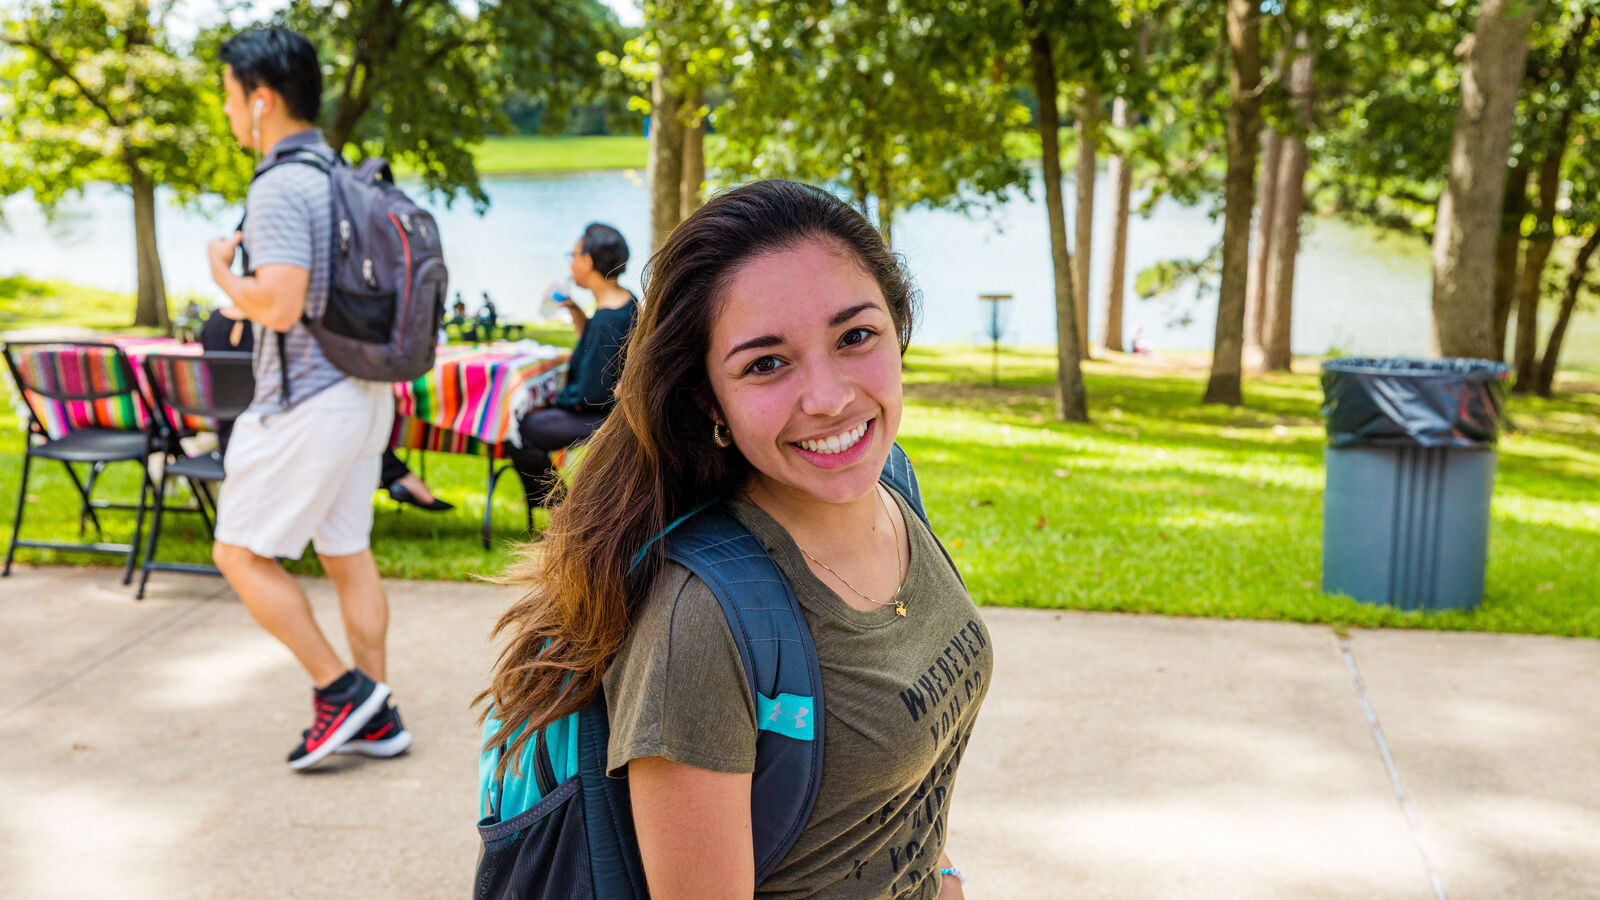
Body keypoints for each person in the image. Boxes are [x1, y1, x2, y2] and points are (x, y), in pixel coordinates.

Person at [483, 180, 988, 898]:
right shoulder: (701, 624)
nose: (830, 396)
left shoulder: (892, 483)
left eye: (855, 336)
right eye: (766, 364)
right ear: (707, 400)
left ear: (897, 329)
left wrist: (941, 874)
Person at [206, 26, 411, 771]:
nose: (226, 110)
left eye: (229, 95)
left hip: (303, 404)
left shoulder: (279, 184)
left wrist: (225, 275)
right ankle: (379, 713)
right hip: (363, 397)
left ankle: (340, 690)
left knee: (238, 553)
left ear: (260, 100)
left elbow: (283, 302)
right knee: (348, 555)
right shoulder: (341, 175)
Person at [200, 306, 452, 512]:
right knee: (344, 413)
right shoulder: (282, 327)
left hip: (231, 441)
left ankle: (397, 475)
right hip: (276, 440)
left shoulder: (211, 324)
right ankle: (399, 475)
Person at [506, 222, 637, 509]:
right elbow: (601, 355)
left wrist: (553, 402)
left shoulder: (608, 320)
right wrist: (578, 314)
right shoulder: (626, 303)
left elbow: (592, 394)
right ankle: (564, 509)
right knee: (529, 422)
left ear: (588, 261)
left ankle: (563, 511)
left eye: (575, 255)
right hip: (618, 412)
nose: (572, 263)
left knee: (520, 430)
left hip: (606, 419)